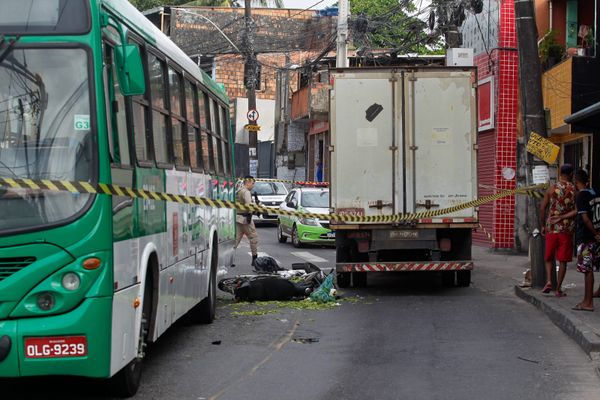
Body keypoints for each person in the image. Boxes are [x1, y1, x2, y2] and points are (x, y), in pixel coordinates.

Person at [540, 163, 576, 297]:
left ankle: (549, 281)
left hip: (551, 228)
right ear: (571, 174)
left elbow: (542, 208)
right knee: (563, 260)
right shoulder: (574, 190)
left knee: (549, 257)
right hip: (566, 230)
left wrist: (543, 225)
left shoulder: (551, 188)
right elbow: (576, 211)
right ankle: (558, 289)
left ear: (560, 173)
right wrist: (563, 216)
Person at [569, 169, 600, 311]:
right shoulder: (595, 193)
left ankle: (587, 302)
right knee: (593, 266)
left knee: (587, 269)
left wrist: (594, 233)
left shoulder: (581, 196)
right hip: (595, 236)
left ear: (576, 181)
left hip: (587, 237)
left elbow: (585, 219)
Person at [235, 175, 259, 266]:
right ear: (248, 182)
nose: (253, 186)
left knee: (236, 240)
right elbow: (249, 206)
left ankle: (228, 257)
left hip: (238, 217)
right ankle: (255, 259)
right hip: (245, 218)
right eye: (252, 183)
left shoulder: (239, 191)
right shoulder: (246, 192)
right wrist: (256, 209)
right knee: (253, 238)